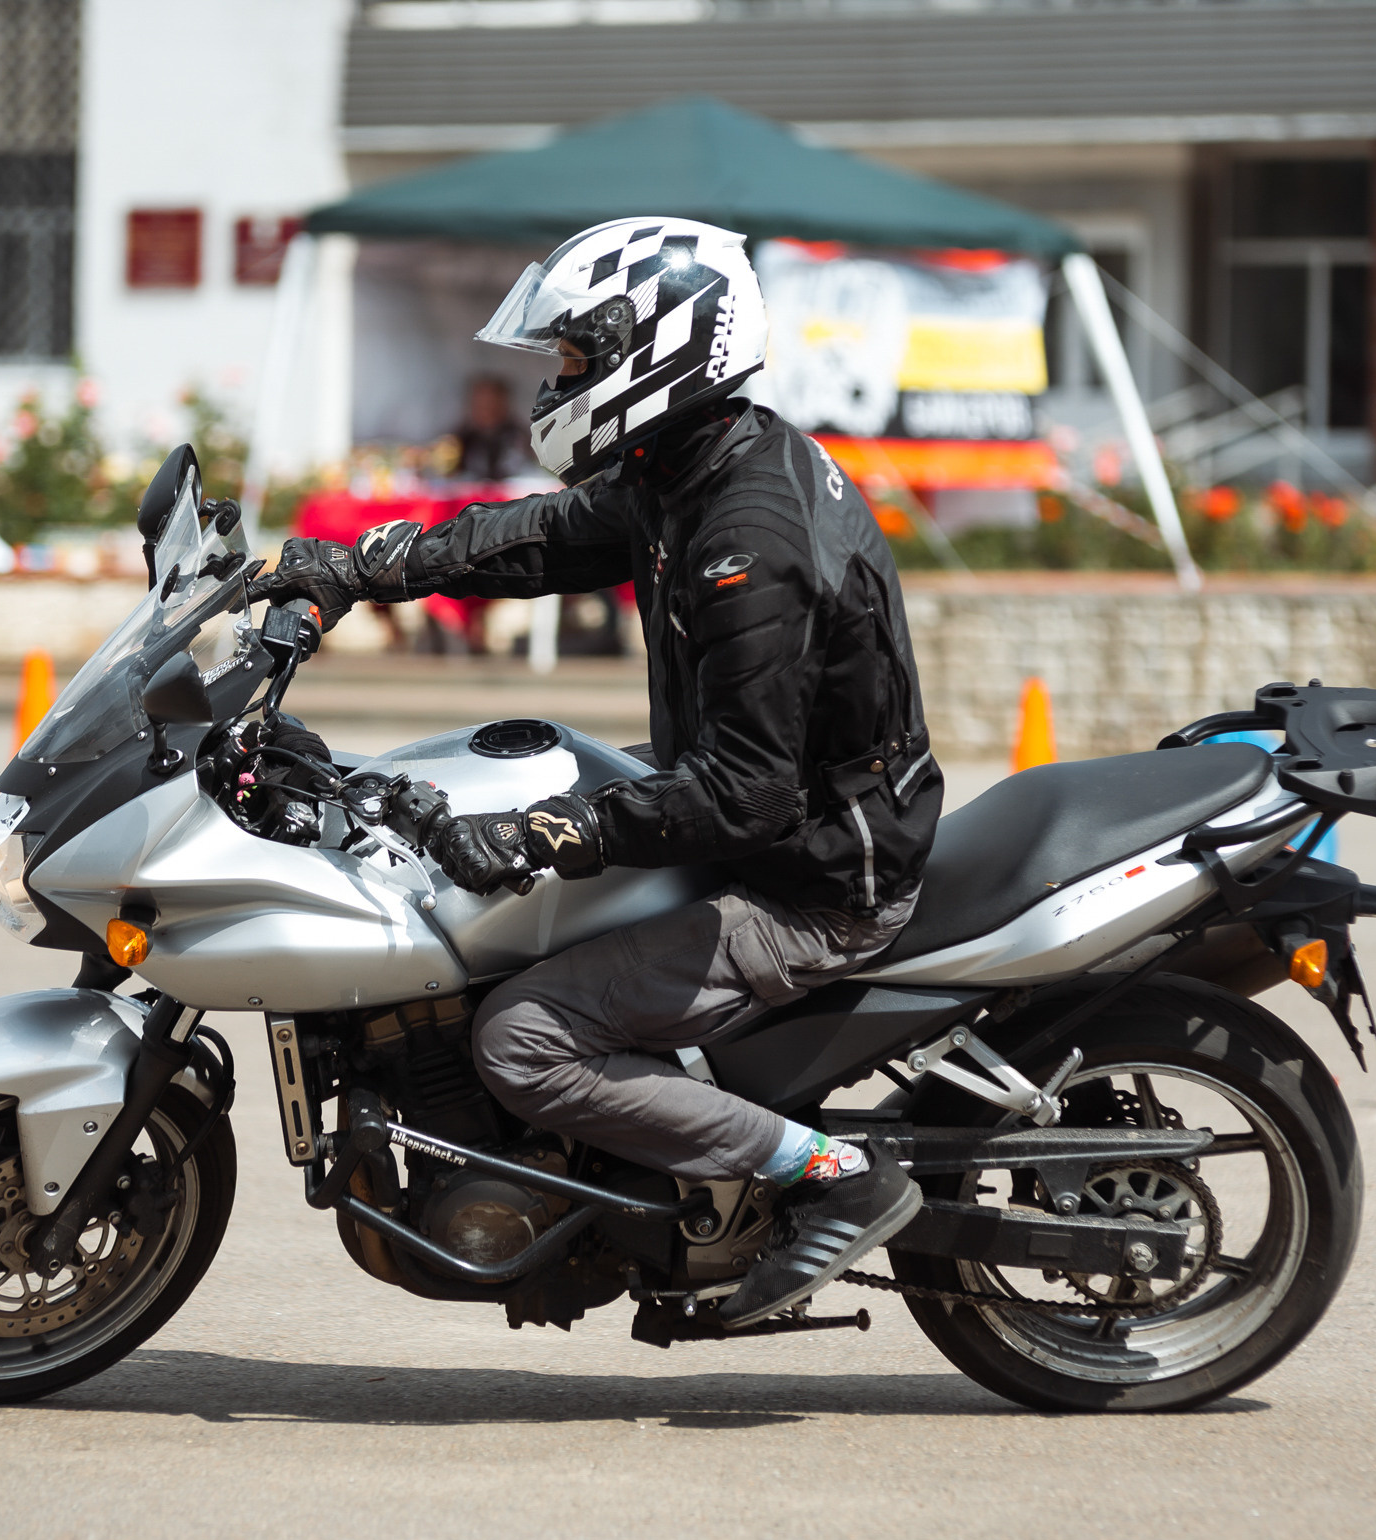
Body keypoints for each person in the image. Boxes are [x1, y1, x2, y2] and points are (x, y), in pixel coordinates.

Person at [260, 218, 939, 1327]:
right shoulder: (694, 466)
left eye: (576, 355)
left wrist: (540, 837)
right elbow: (536, 539)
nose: (559, 379)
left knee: (523, 1038)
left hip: (813, 880)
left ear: (665, 345)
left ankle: (835, 1178)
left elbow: (745, 792)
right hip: (767, 828)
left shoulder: (747, 539)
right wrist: (355, 568)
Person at [451, 373, 533, 482]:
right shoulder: (459, 440)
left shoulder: (523, 438)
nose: (487, 411)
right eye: (481, 405)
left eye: (492, 404)